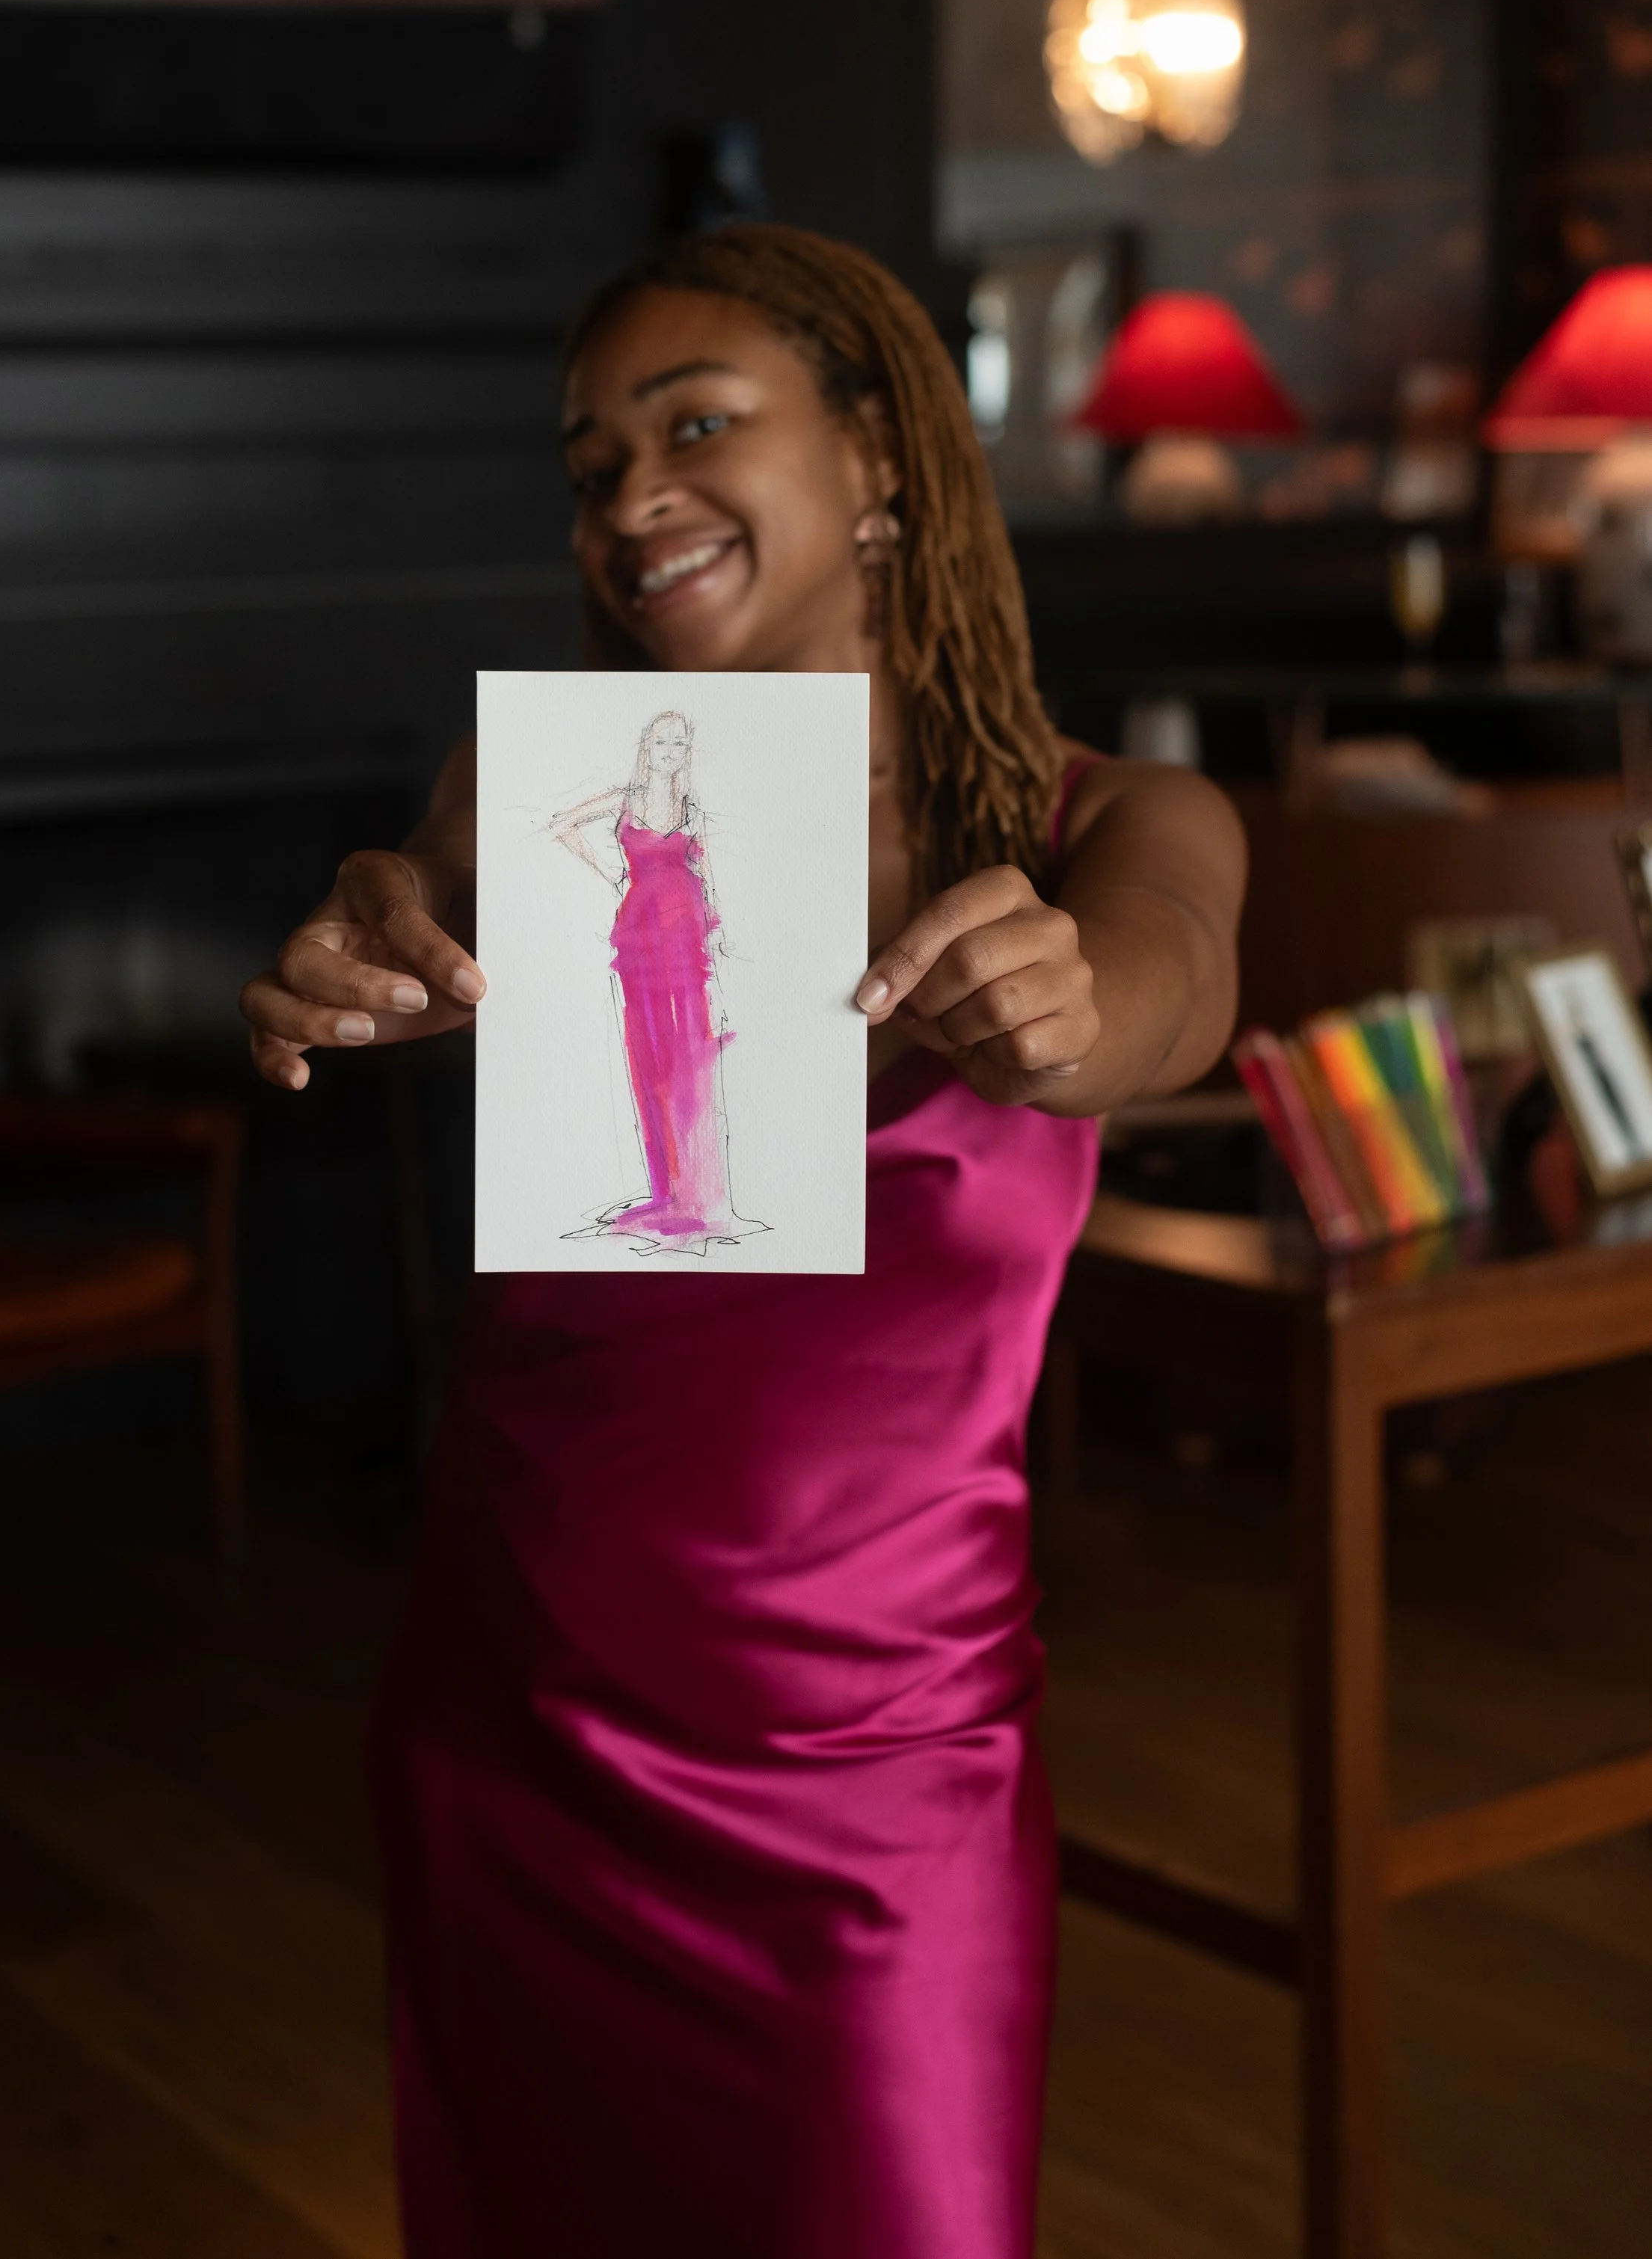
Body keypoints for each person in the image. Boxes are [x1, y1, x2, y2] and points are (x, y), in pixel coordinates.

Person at [240, 223, 1246, 2259]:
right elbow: (398, 911)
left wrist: (1076, 1011)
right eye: (589, 464)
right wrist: (361, 951)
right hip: (514, 1715)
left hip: (876, 1782)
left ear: (877, 457)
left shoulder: (1105, 828)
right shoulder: (525, 798)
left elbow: (1168, 990)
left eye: (695, 425)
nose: (630, 502)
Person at [549, 707, 746, 1251]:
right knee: (650, 1057)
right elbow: (562, 825)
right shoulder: (624, 798)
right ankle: (668, 1192)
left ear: (686, 752)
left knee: (692, 1057)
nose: (670, 753)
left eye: (679, 745)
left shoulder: (691, 807)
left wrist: (719, 931)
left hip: (688, 940)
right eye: (662, 743)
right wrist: (611, 872)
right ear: (646, 746)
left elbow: (707, 874)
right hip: (638, 939)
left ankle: (699, 1193)